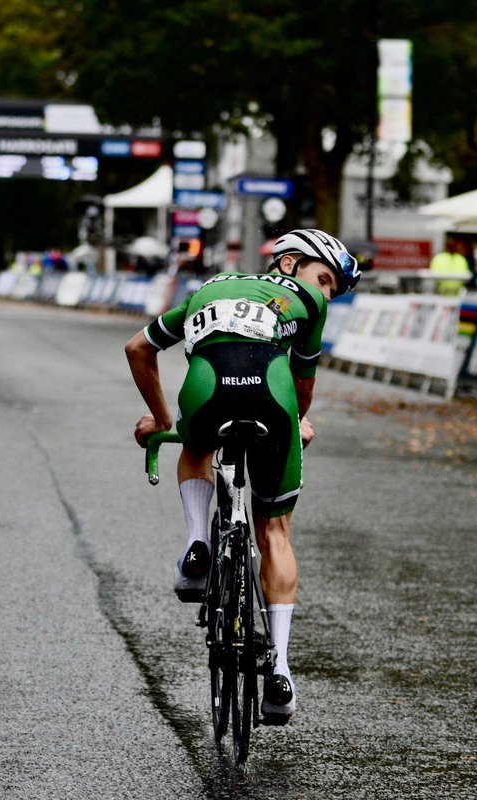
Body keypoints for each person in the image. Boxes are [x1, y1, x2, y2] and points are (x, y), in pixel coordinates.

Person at [124, 228, 360, 725]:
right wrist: (297, 423)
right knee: (275, 532)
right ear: (290, 263)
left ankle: (197, 547)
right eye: (324, 279)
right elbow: (302, 385)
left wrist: (162, 421)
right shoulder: (309, 303)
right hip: (272, 398)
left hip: (207, 391)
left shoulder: (209, 288)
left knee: (197, 444)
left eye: (332, 289)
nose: (326, 292)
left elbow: (137, 348)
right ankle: (281, 670)